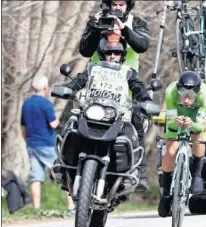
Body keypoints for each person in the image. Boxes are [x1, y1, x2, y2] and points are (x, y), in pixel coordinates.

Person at [62, 35, 152, 192]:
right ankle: (63, 166)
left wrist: (146, 99)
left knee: (135, 130)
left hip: (117, 115)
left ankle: (139, 173)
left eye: (117, 52)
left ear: (122, 55)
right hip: (91, 111)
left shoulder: (128, 73)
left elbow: (138, 87)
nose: (112, 56)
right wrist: (68, 89)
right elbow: (79, 80)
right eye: (109, 52)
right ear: (102, 54)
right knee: (71, 124)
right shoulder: (93, 69)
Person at [158, 71, 206, 217]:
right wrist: (175, 123)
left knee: (198, 136)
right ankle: (166, 194)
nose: (187, 99)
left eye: (191, 94)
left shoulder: (205, 95)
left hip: (195, 117)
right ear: (178, 88)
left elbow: (200, 126)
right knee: (170, 151)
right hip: (176, 116)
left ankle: (196, 175)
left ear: (198, 91)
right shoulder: (171, 92)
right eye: (183, 92)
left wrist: (192, 124)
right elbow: (170, 123)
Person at [21, 75, 75, 213]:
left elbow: (23, 126)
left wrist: (27, 139)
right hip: (46, 144)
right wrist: (59, 122)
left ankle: (36, 208)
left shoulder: (26, 103)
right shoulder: (46, 104)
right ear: (45, 88)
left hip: (31, 144)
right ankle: (71, 207)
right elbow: (53, 123)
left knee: (36, 177)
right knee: (63, 172)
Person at [79, 0, 149, 73]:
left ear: (127, 6)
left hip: (128, 77)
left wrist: (124, 30)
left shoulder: (137, 23)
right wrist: (96, 28)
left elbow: (143, 47)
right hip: (97, 75)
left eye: (121, 5)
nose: (117, 8)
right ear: (109, 5)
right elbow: (85, 52)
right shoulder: (97, 21)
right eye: (114, 4)